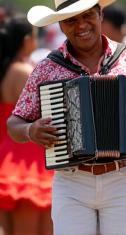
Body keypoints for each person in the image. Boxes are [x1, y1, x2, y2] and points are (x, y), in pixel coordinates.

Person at [6, 0, 126, 235]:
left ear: (100, 14)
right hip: (71, 182)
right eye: (71, 19)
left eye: (87, 16)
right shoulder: (48, 68)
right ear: (61, 24)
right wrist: (30, 131)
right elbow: (14, 123)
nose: (81, 25)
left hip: (122, 180)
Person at [0, 14, 54, 235]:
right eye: (34, 36)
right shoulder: (23, 71)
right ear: (25, 41)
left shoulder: (5, 70)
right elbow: (43, 112)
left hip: (8, 153)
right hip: (27, 155)